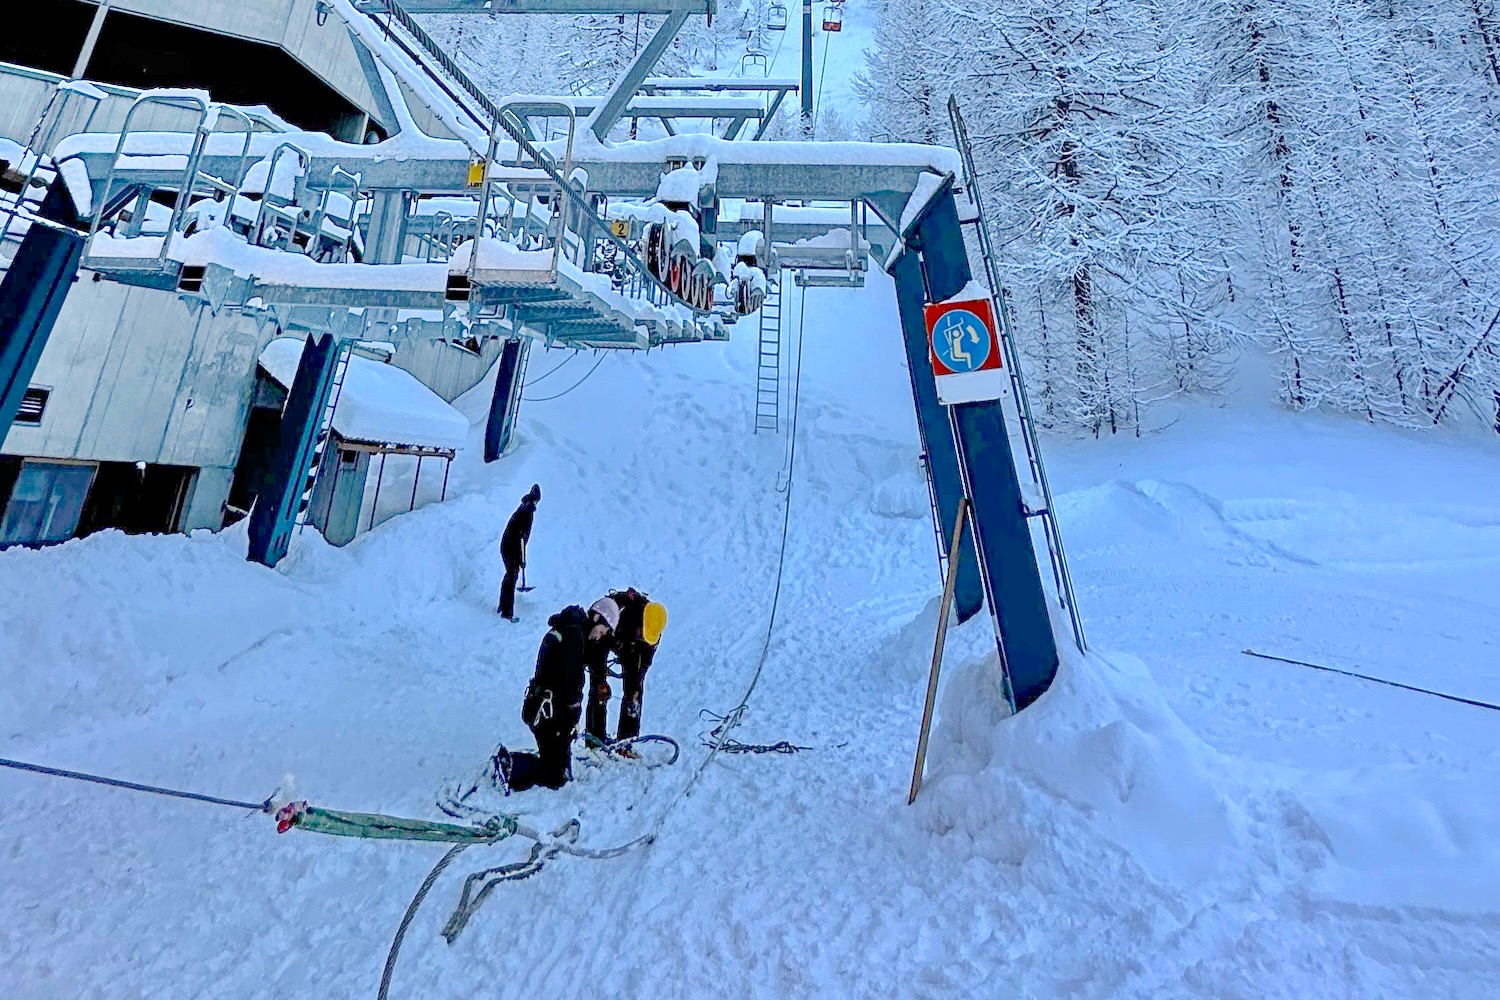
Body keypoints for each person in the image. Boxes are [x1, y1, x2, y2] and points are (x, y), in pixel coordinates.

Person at [489, 604, 604, 792]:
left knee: (556, 764)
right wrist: (572, 720)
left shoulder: (567, 630)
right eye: (601, 631)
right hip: (549, 714)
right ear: (597, 621)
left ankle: (516, 762)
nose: (599, 637)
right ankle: (512, 766)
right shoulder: (574, 637)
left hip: (542, 708)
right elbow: (572, 684)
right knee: (556, 777)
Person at [584, 589, 668, 752]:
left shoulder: (653, 631)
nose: (643, 638)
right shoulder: (614, 613)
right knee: (599, 691)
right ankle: (594, 741)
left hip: (632, 649)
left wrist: (633, 689)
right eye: (641, 635)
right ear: (639, 622)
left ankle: (626, 742)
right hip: (609, 638)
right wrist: (600, 678)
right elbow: (596, 652)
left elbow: (643, 665)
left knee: (634, 694)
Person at [497, 484, 540, 621]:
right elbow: (520, 538)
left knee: (510, 576)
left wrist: (521, 558)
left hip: (508, 546)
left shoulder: (524, 508)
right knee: (511, 576)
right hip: (510, 547)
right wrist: (520, 558)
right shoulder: (527, 512)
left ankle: (503, 607)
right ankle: (506, 612)